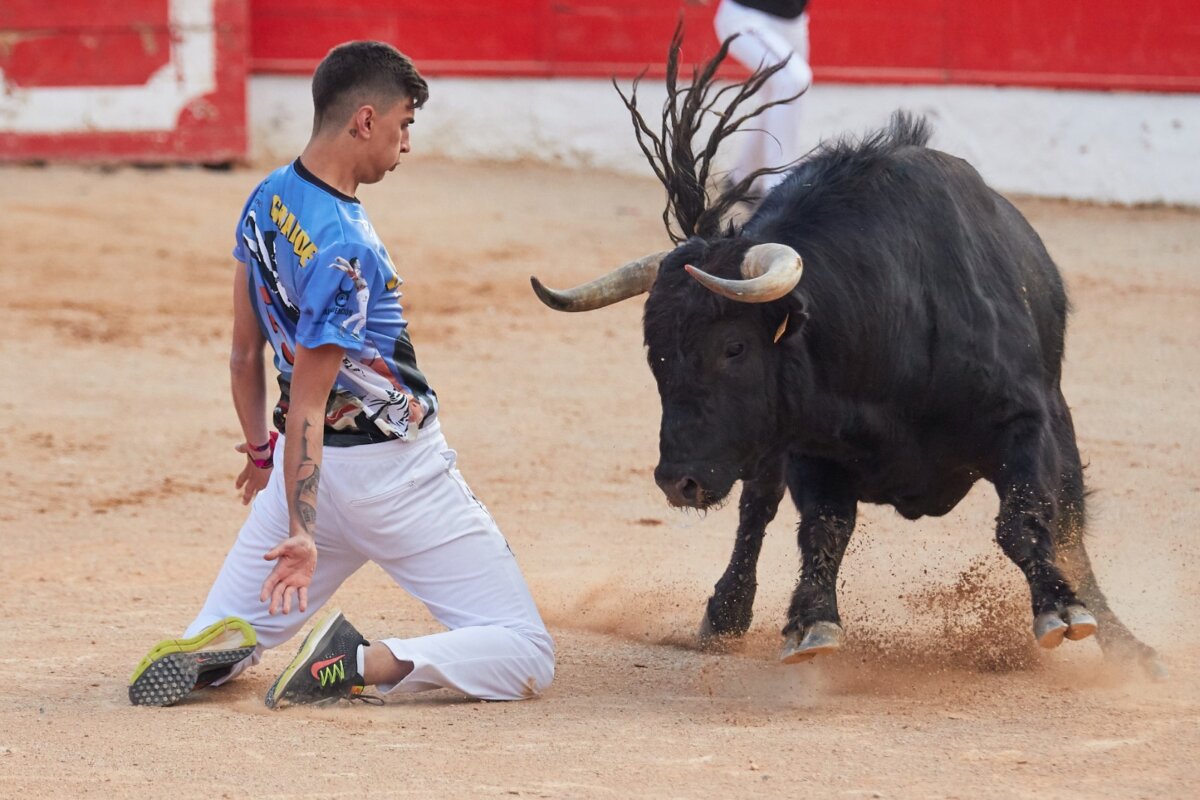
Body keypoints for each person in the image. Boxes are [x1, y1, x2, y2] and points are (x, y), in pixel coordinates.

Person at [128, 40, 555, 709]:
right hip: (396, 478)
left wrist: (263, 456)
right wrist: (302, 531)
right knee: (527, 650)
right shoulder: (350, 248)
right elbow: (309, 399)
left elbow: (245, 356)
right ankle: (359, 660)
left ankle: (215, 643)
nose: (405, 143)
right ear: (364, 121)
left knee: (224, 634)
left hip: (305, 476)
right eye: (403, 123)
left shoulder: (267, 198)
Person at [710, 0, 813, 195]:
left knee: (781, 96)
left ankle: (742, 181)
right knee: (793, 81)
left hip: (794, 21)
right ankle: (779, 190)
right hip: (746, 16)